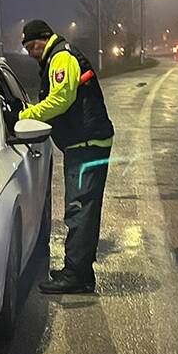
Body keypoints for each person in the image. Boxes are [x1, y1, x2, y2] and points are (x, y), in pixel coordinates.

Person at [19, 19, 114, 294]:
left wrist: (26, 115)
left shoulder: (61, 58)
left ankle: (77, 276)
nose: (29, 54)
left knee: (80, 208)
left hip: (87, 143)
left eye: (29, 48)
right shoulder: (60, 54)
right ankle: (78, 271)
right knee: (82, 207)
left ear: (38, 41)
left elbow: (62, 99)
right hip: (85, 142)